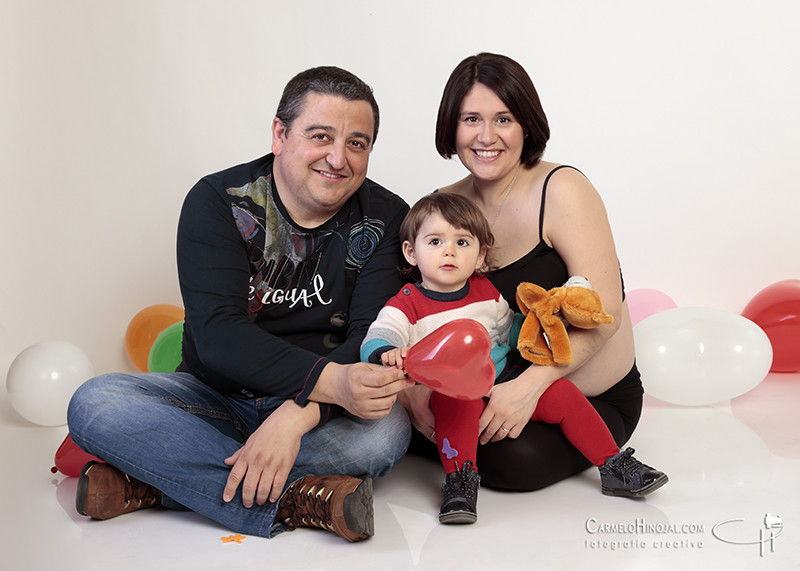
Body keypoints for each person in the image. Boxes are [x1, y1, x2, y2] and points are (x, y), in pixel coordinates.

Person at [67, 66, 415, 543]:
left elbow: (369, 339)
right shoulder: (217, 200)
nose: (338, 158)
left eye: (357, 143)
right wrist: (329, 381)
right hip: (216, 397)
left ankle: (155, 484)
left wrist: (296, 416)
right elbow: (217, 336)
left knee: (389, 430)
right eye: (321, 136)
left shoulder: (387, 217)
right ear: (280, 134)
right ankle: (296, 500)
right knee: (95, 404)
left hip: (321, 411)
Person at [400, 51, 662, 494]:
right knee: (450, 432)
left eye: (503, 119)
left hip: (588, 395)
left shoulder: (561, 189)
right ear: (451, 126)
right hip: (491, 389)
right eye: (470, 119)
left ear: (526, 124)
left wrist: (529, 385)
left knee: (511, 463)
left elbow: (606, 313)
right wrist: (413, 396)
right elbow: (413, 310)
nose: (486, 136)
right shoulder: (441, 206)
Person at [363, 193, 667, 524]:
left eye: (462, 242)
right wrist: (386, 351)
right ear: (411, 252)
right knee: (456, 406)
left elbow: (511, 331)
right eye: (435, 241)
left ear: (480, 257)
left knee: (564, 394)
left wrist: (544, 324)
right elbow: (381, 333)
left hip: (503, 380)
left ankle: (612, 464)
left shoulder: (484, 293)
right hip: (453, 391)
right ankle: (460, 481)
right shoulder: (408, 302)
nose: (448, 251)